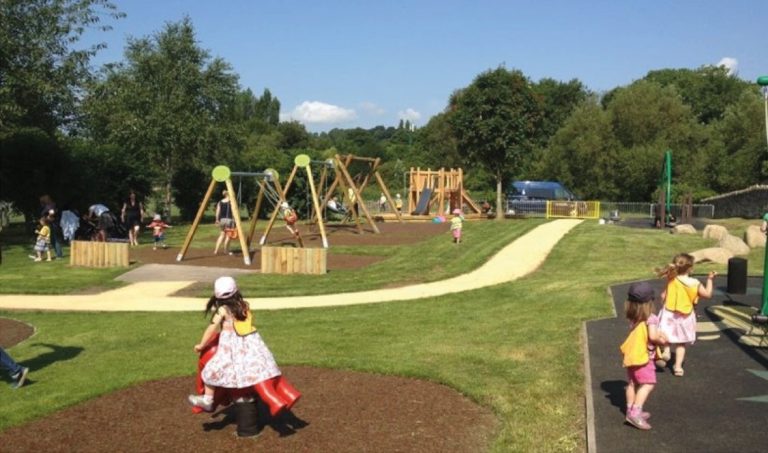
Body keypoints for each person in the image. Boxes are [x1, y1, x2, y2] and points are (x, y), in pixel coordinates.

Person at [188, 276, 298, 415]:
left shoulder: (223, 310)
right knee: (256, 372)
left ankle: (208, 400)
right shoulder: (244, 305)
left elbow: (212, 328)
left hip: (231, 349)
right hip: (252, 347)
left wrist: (201, 344)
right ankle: (276, 400)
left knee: (211, 371)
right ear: (236, 290)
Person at [655, 253, 716, 377]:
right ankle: (677, 367)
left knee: (665, 334)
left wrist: (663, 301)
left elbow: (663, 295)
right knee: (681, 342)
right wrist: (710, 279)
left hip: (669, 312)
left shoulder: (672, 278)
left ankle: (666, 350)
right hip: (686, 315)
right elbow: (708, 295)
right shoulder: (695, 283)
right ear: (691, 268)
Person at [620, 282, 667, 431]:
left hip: (632, 356)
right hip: (643, 358)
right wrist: (662, 339)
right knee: (648, 384)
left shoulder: (633, 317)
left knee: (633, 383)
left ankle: (630, 410)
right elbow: (652, 336)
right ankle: (635, 413)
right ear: (649, 302)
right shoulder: (651, 318)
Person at [214, 190, 234, 255]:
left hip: (222, 220)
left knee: (222, 235)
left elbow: (217, 211)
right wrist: (235, 220)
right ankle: (226, 250)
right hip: (229, 220)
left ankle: (216, 250)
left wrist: (217, 219)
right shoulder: (231, 201)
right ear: (229, 194)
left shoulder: (220, 202)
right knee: (228, 235)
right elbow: (234, 211)